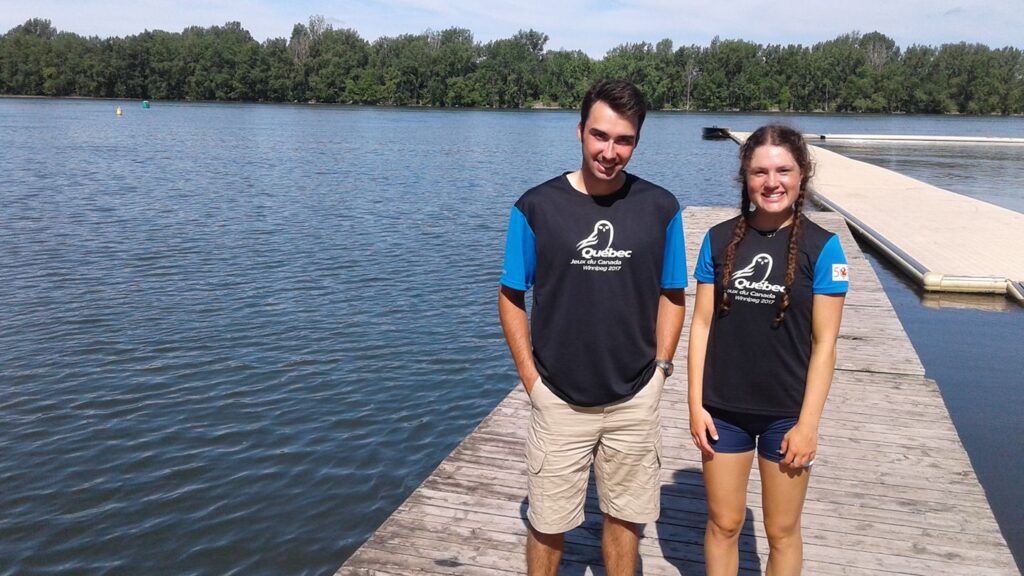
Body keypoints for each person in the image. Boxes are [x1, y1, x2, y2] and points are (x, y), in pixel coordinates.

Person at [497, 79, 688, 576]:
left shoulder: (661, 208)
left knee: (625, 522)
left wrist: (661, 371)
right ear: (580, 131)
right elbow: (511, 295)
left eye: (623, 140)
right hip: (558, 398)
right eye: (599, 136)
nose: (609, 151)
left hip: (634, 398)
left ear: (637, 142)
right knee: (547, 523)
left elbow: (672, 294)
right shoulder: (535, 207)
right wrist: (532, 382)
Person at [687, 124, 848, 575]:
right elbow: (700, 326)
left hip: (787, 414)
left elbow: (825, 343)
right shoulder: (718, 240)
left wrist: (808, 424)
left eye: (783, 170)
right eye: (760, 171)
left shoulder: (825, 248)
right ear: (745, 176)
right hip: (723, 411)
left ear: (802, 175)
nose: (772, 182)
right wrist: (695, 403)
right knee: (724, 523)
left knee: (781, 531)